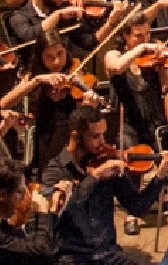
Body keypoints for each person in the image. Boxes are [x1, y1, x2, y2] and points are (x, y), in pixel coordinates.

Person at [43, 104, 168, 265]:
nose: (103, 142)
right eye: (95, 136)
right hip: (72, 261)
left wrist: (160, 175)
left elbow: (138, 207)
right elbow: (62, 212)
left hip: (108, 255)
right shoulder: (54, 171)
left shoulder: (106, 162)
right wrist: (95, 177)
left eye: (103, 134)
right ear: (76, 137)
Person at [1, 30, 106, 173]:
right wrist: (37, 80)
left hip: (71, 141)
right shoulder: (35, 77)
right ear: (40, 57)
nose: (56, 61)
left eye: (60, 54)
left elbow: (80, 124)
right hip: (45, 140)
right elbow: (3, 104)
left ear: (66, 51)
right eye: (49, 57)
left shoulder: (75, 72)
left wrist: (88, 107)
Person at [104, 12, 168, 148]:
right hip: (127, 128)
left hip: (154, 124)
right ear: (125, 35)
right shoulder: (114, 55)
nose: (145, 39)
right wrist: (141, 48)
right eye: (139, 36)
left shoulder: (152, 58)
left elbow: (167, 86)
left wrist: (162, 67)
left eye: (147, 33)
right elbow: (116, 67)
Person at [0, 160, 64, 265]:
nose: (25, 198)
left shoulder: (6, 227)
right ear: (3, 195)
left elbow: (41, 256)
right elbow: (42, 253)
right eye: (21, 192)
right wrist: (43, 213)